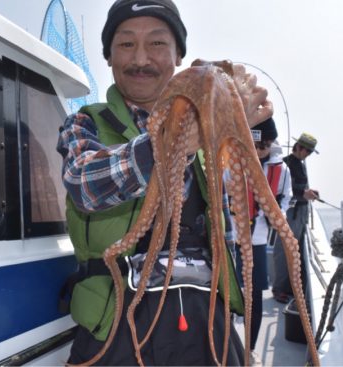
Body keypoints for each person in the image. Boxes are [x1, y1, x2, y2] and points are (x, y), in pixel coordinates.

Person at [57, 0, 272, 365]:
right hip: (115, 325)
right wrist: (174, 140)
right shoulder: (85, 123)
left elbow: (226, 234)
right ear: (108, 56)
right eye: (125, 44)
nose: (140, 58)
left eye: (157, 43)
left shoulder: (207, 137)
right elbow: (83, 184)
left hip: (205, 323)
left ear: (178, 56)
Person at [232, 117, 292, 366]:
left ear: (270, 143)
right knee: (225, 295)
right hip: (229, 239)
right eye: (252, 144)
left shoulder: (282, 169)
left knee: (254, 297)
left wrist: (277, 217)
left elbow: (285, 200)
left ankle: (250, 351)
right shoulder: (230, 160)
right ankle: (225, 347)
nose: (257, 151)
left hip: (256, 241)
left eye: (263, 145)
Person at [272, 132, 319, 304]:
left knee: (294, 251)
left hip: (300, 214)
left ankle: (290, 287)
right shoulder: (287, 164)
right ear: (299, 147)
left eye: (311, 152)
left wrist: (309, 192)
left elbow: (298, 188)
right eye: (308, 151)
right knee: (284, 251)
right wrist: (303, 193)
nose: (308, 154)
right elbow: (283, 191)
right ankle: (279, 289)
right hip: (291, 214)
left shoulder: (299, 163)